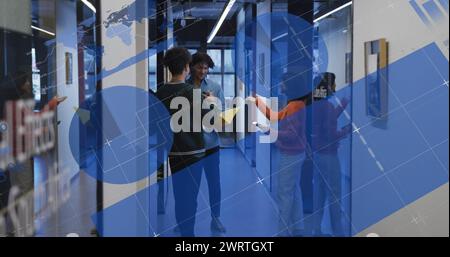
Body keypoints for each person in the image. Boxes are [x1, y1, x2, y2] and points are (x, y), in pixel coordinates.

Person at [248, 72, 310, 236]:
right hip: (297, 154)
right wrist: (258, 102)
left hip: (290, 155)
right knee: (294, 191)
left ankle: (282, 232)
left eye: (283, 82)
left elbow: (291, 135)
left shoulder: (295, 106)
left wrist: (269, 130)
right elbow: (274, 116)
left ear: (291, 85)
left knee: (284, 195)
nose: (280, 85)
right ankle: (298, 228)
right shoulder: (295, 105)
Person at [156, 47, 208, 237]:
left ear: (169, 67)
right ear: (187, 67)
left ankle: (184, 231)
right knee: (191, 197)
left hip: (174, 153)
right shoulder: (194, 92)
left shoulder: (160, 93)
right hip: (195, 153)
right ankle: (188, 234)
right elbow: (208, 122)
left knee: (179, 195)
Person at [187, 52, 226, 233]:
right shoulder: (184, 87)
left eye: (205, 68)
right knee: (190, 187)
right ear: (191, 66)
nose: (202, 71)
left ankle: (215, 218)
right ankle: (186, 223)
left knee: (214, 183)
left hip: (211, 145)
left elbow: (221, 118)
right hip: (190, 146)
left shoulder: (215, 87)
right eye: (199, 67)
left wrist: (212, 103)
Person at [311, 72, 351, 237]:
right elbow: (330, 133)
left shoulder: (316, 103)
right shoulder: (326, 106)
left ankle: (316, 230)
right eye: (333, 85)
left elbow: (328, 118)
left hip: (318, 155)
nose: (335, 87)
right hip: (328, 155)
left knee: (319, 194)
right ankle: (338, 233)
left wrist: (343, 104)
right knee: (334, 195)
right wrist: (346, 130)